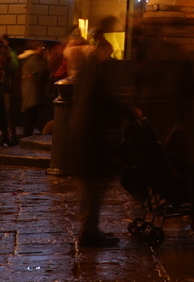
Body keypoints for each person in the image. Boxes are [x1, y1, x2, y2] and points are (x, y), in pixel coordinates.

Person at [65, 39, 133, 247]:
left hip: (86, 135)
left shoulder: (86, 73)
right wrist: (129, 112)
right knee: (95, 185)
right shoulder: (94, 72)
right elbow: (104, 100)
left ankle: (89, 228)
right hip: (92, 137)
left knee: (91, 186)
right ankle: (90, 231)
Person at [17, 44, 51, 138]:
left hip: (29, 89)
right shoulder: (33, 59)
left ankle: (27, 134)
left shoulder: (28, 58)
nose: (42, 49)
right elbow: (43, 70)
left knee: (31, 113)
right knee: (32, 113)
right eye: (41, 47)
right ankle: (27, 135)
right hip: (33, 90)